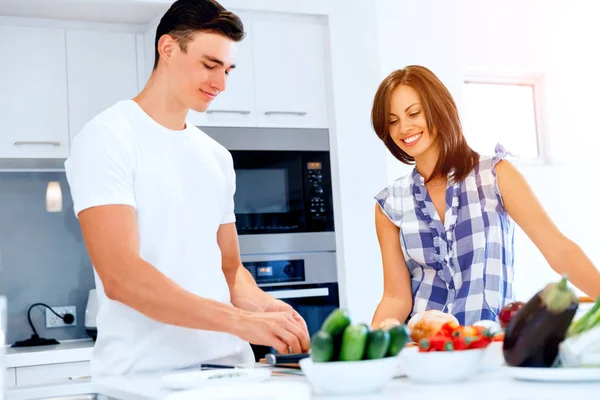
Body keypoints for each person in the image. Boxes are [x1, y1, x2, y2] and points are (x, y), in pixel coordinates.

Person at [64, 0, 309, 376]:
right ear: (168, 48)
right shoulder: (107, 138)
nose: (221, 83)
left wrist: (264, 308)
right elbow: (121, 276)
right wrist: (240, 322)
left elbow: (230, 271)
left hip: (230, 372)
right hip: (146, 379)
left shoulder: (216, 157)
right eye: (210, 65)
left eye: (228, 70)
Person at [369, 65, 600, 329]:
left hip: (489, 344)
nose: (404, 128)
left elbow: (560, 251)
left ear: (438, 109)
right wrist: (367, 353)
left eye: (414, 113)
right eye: (393, 121)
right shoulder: (390, 204)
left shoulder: (495, 175)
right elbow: (396, 297)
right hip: (425, 351)